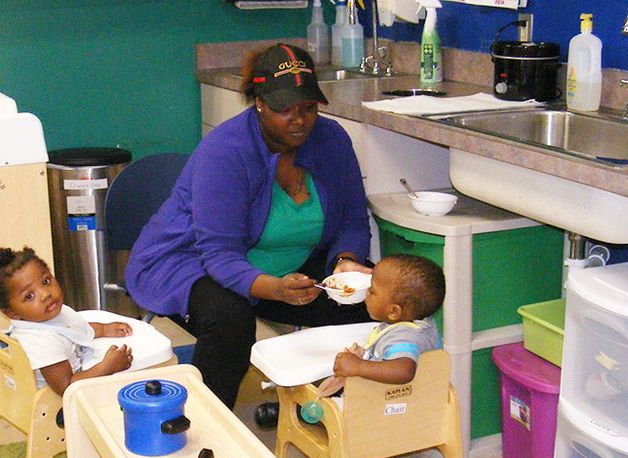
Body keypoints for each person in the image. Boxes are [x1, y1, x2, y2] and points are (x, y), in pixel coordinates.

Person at [126, 43, 374, 407]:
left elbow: (353, 219)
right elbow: (219, 254)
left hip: (282, 269)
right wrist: (275, 288)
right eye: (284, 109)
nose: (300, 119)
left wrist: (346, 263)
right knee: (230, 320)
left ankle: (332, 416)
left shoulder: (332, 140)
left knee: (377, 298)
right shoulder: (226, 152)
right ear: (258, 101)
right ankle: (207, 428)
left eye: (308, 107)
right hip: (189, 263)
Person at [0, 247, 134, 395]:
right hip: (54, 405)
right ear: (12, 313)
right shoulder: (40, 341)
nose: (45, 294)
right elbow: (67, 387)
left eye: (45, 281)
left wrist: (104, 329)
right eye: (29, 296)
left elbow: (71, 330)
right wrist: (108, 367)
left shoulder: (46, 316)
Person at [329, 254, 445, 388]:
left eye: (372, 291)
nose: (367, 292)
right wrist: (365, 354)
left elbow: (404, 371)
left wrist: (359, 366)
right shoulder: (420, 322)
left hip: (398, 404)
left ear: (393, 312)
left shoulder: (402, 337)